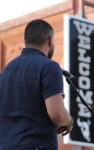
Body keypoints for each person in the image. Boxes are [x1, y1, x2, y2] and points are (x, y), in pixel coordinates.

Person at [0, 19, 73, 150]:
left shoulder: (6, 71)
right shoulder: (49, 67)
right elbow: (56, 114)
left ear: (26, 41)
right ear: (50, 41)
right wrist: (68, 121)